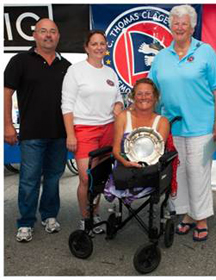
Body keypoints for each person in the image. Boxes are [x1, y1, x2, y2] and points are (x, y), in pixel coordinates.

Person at [148, 4, 216, 242]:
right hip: (171, 127)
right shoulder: (161, 57)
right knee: (177, 173)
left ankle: (201, 218)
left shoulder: (206, 51)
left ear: (192, 27)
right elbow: (152, 91)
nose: (180, 27)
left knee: (197, 172)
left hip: (202, 126)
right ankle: (186, 215)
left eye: (184, 23)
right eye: (176, 23)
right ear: (170, 26)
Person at [4, 18, 72, 242]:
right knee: (29, 180)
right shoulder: (20, 61)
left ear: (58, 36)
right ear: (35, 35)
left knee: (53, 178)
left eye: (53, 31)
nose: (48, 35)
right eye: (43, 31)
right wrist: (7, 124)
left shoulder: (66, 66)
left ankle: (49, 216)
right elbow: (7, 94)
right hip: (31, 133)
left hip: (59, 134)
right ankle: (25, 222)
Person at [61, 30, 124, 233]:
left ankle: (96, 214)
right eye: (94, 44)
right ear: (86, 47)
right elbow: (67, 105)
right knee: (86, 178)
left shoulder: (110, 72)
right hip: (84, 130)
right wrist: (70, 134)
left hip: (108, 129)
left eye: (102, 44)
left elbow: (119, 97)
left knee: (99, 178)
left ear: (106, 47)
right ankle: (85, 217)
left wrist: (118, 104)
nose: (99, 47)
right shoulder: (75, 71)